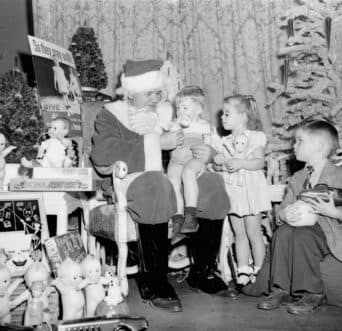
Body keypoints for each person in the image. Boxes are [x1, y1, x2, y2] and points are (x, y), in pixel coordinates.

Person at [90, 59, 234, 313]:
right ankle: (153, 281)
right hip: (134, 181)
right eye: (150, 93)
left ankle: (203, 271)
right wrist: (156, 142)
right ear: (131, 92)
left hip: (175, 178)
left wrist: (206, 151)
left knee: (210, 182)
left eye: (159, 92)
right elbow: (103, 158)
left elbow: (193, 141)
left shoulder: (171, 114)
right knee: (155, 184)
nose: (157, 98)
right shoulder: (111, 115)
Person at [257, 120, 342, 315]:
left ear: (319, 146)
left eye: (299, 141)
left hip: (332, 231)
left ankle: (313, 292)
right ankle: (281, 289)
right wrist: (284, 214)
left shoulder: (341, 176)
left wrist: (333, 212)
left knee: (302, 235)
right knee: (283, 233)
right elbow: (283, 208)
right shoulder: (297, 178)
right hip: (303, 228)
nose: (294, 146)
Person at [213, 95, 271, 287]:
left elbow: (259, 162)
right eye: (222, 114)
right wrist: (221, 165)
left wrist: (241, 163)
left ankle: (261, 269)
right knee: (239, 233)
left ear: (243, 116)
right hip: (234, 192)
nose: (223, 117)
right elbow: (225, 167)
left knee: (254, 231)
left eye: (227, 113)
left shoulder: (255, 137)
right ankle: (243, 268)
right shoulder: (226, 141)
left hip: (250, 191)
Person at [167, 86, 213, 244]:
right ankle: (178, 219)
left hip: (195, 160)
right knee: (171, 178)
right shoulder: (174, 125)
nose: (180, 111)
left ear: (199, 109)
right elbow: (167, 142)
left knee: (188, 173)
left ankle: (190, 216)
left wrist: (210, 159)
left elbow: (211, 147)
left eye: (185, 107)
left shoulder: (204, 126)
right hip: (177, 160)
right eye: (178, 108)